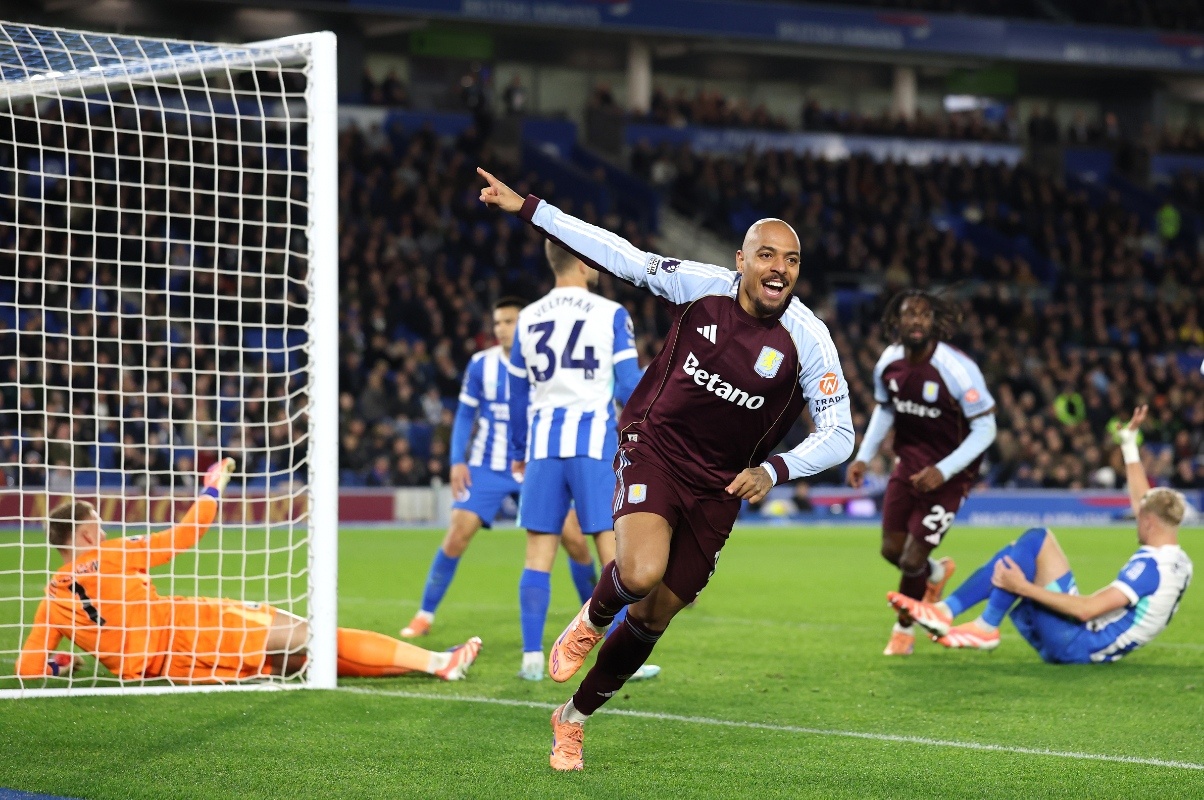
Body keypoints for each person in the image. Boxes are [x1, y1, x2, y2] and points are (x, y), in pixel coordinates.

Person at [478, 166, 855, 771]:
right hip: (655, 447)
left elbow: (840, 433)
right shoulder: (699, 286)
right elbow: (618, 254)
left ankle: (571, 719)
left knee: (656, 616)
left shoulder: (808, 339)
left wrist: (776, 470)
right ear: (741, 260)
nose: (778, 268)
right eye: (765, 255)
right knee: (642, 571)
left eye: (791, 259)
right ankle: (593, 615)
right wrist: (530, 209)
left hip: (722, 485)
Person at [17, 460, 481, 684]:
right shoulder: (113, 554)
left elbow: (28, 667)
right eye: (97, 525)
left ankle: (433, 664)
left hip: (175, 670)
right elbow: (182, 536)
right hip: (190, 627)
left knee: (301, 661)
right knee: (310, 637)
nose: (104, 530)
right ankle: (441, 662)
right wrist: (212, 488)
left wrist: (64, 662)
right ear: (83, 536)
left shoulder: (51, 603)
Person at [890, 406, 1192, 662]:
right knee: (1026, 548)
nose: (1136, 518)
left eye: (1141, 517)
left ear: (1149, 522)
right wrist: (1128, 443)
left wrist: (1023, 587)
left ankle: (976, 622)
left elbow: (1087, 611)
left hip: (1079, 643)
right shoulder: (1176, 560)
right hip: (1080, 641)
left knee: (1035, 542)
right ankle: (949, 612)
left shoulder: (1151, 568)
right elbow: (1144, 501)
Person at [399, 298, 602, 642]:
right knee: (456, 535)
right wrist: (457, 461)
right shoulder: (481, 365)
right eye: (497, 323)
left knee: (576, 542)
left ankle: (597, 621)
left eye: (509, 321)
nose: (502, 329)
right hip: (487, 466)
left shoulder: (546, 365)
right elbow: (465, 415)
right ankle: (424, 614)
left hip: (537, 464)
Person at [507, 239, 642, 681]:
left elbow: (517, 395)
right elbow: (627, 389)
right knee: (614, 553)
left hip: (543, 446)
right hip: (593, 444)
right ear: (583, 261)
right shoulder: (611, 314)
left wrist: (518, 451)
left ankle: (530, 657)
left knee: (537, 553)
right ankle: (620, 658)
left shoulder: (527, 318)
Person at [846, 290, 996, 656]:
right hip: (908, 466)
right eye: (908, 315)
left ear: (934, 322)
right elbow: (885, 409)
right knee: (890, 550)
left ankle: (903, 631)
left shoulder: (958, 369)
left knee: (911, 558)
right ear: (895, 322)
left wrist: (944, 471)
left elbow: (987, 429)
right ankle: (935, 574)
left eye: (923, 315)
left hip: (951, 475)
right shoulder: (889, 363)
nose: (916, 321)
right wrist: (863, 456)